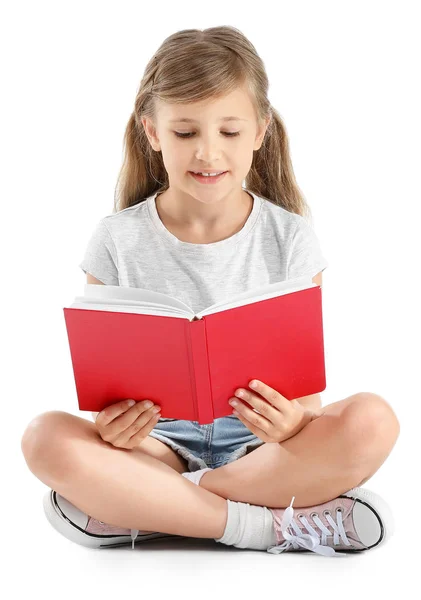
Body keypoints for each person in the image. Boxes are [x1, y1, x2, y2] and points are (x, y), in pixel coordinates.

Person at [21, 25, 400, 557]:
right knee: (44, 438)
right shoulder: (116, 238)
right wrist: (114, 428)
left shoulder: (290, 237)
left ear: (260, 132)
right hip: (157, 447)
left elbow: (308, 392)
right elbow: (102, 393)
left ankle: (151, 511)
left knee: (373, 420)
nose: (207, 153)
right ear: (151, 132)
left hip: (261, 448)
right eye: (184, 133)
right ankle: (268, 526)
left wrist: (294, 421)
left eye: (228, 131)